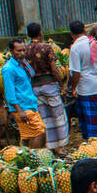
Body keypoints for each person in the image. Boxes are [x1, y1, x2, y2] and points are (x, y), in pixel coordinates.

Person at [25, 24, 69, 153]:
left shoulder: (25, 49)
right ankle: (60, 147)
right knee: (58, 116)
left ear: (28, 35)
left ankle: (49, 146)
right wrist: (61, 85)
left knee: (44, 119)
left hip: (34, 88)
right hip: (49, 86)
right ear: (40, 33)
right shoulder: (46, 47)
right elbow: (54, 68)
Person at [1, 38, 45, 151]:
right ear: (11, 51)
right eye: (18, 51)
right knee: (39, 132)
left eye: (23, 50)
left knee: (26, 135)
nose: (22, 53)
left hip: (29, 103)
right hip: (22, 107)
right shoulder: (9, 69)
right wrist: (19, 110)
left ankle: (24, 158)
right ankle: (35, 156)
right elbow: (9, 93)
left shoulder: (23, 64)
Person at [67, 21, 97, 141]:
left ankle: (91, 141)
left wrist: (73, 88)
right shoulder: (95, 43)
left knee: (87, 116)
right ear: (84, 30)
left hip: (84, 87)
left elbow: (75, 72)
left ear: (71, 34)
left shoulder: (75, 48)